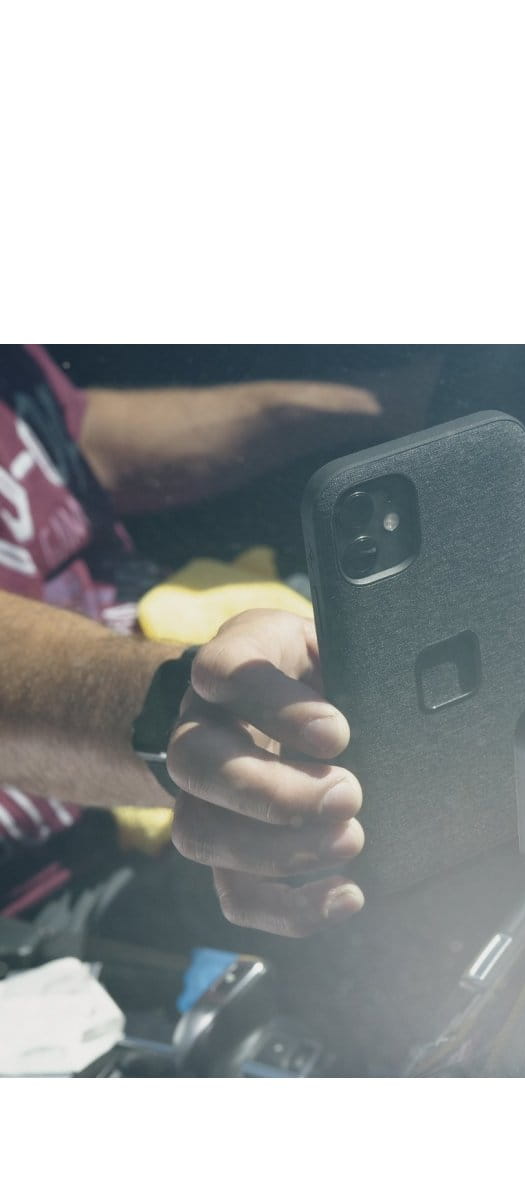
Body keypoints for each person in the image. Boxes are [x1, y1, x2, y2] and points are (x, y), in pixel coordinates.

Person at [0, 345, 382, 941]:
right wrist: (184, 715)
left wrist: (386, 403)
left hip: (177, 652)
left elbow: (67, 438)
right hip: (64, 882)